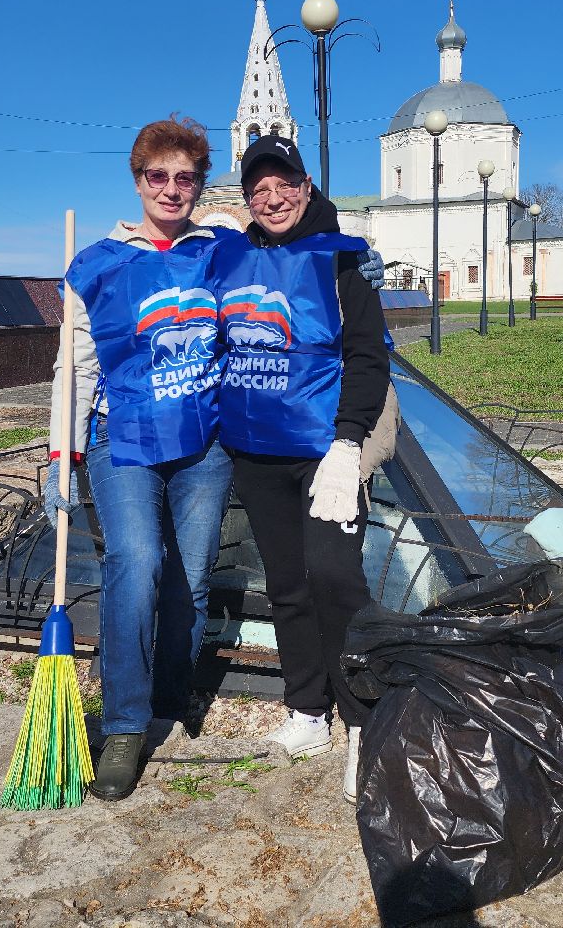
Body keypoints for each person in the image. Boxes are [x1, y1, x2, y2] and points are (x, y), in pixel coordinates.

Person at [44, 116, 236, 801]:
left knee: (190, 576)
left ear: (200, 185)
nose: (172, 188)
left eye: (186, 177)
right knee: (136, 561)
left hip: (203, 446)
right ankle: (124, 726)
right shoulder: (100, 262)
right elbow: (76, 364)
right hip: (120, 437)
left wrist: (347, 262)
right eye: (159, 175)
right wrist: (59, 453)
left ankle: (170, 695)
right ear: (138, 181)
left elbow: (283, 262)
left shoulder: (218, 254)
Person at [212, 135, 392, 805]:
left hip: (323, 451)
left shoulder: (343, 260)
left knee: (336, 577)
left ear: (307, 186)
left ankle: (366, 723)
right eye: (259, 189)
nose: (273, 197)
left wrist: (347, 444)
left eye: (283, 183)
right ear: (246, 200)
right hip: (257, 452)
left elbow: (369, 357)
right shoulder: (235, 259)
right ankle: (308, 713)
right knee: (287, 584)